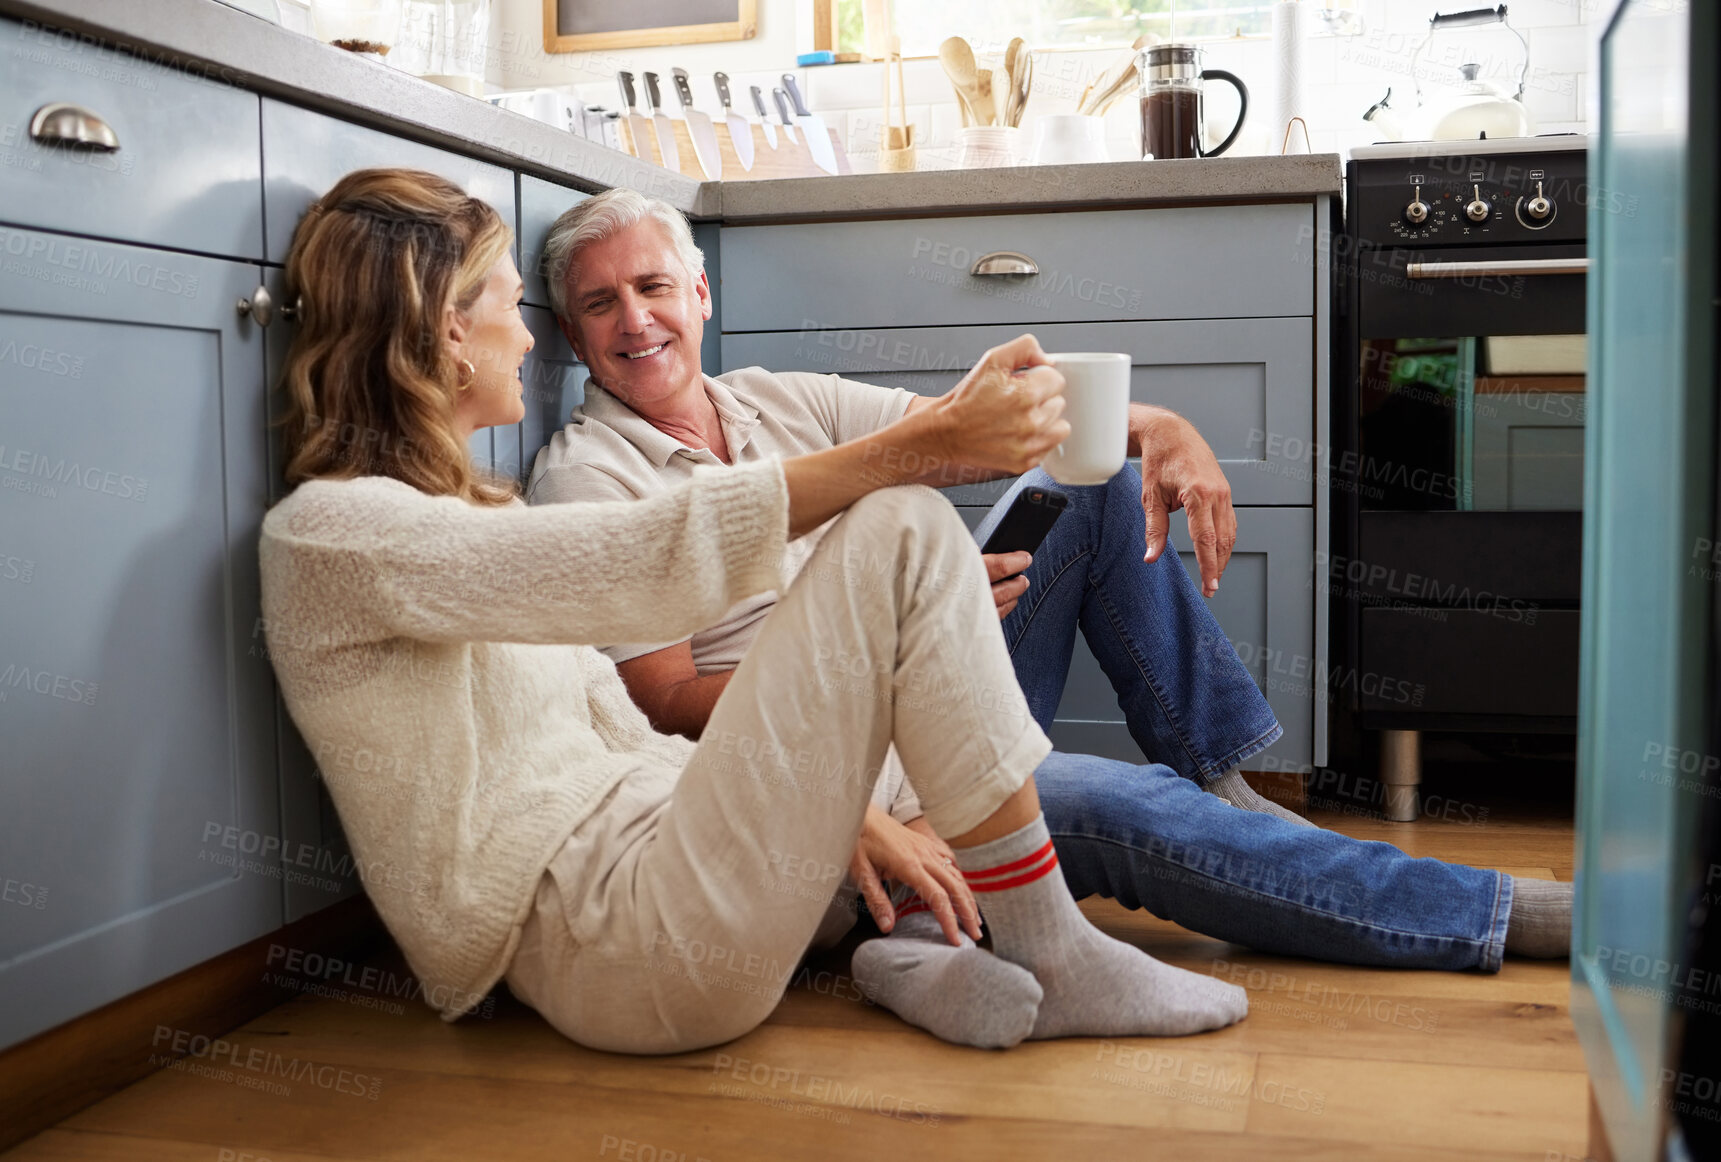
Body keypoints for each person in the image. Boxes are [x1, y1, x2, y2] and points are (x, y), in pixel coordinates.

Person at [523, 188, 1573, 1044]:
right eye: (601, 303)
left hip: (929, 705)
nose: (635, 320)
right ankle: (1496, 911)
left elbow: (975, 432)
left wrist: (1158, 427)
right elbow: (657, 700)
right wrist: (871, 688)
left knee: (1103, 479)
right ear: (571, 333)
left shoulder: (771, 399)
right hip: (833, 785)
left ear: (699, 293)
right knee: (1140, 816)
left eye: (653, 286)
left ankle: (1195, 799)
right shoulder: (587, 478)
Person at [258, 166, 1260, 1056]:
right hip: (621, 944)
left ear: (696, 295)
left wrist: (837, 813)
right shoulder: (335, 534)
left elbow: (621, 737)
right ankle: (1048, 944)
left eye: (649, 290)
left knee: (924, 535)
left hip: (692, 874)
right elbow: (645, 573)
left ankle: (915, 941)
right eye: (522, 309)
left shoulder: (460, 510)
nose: (529, 337)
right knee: (904, 529)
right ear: (446, 329)